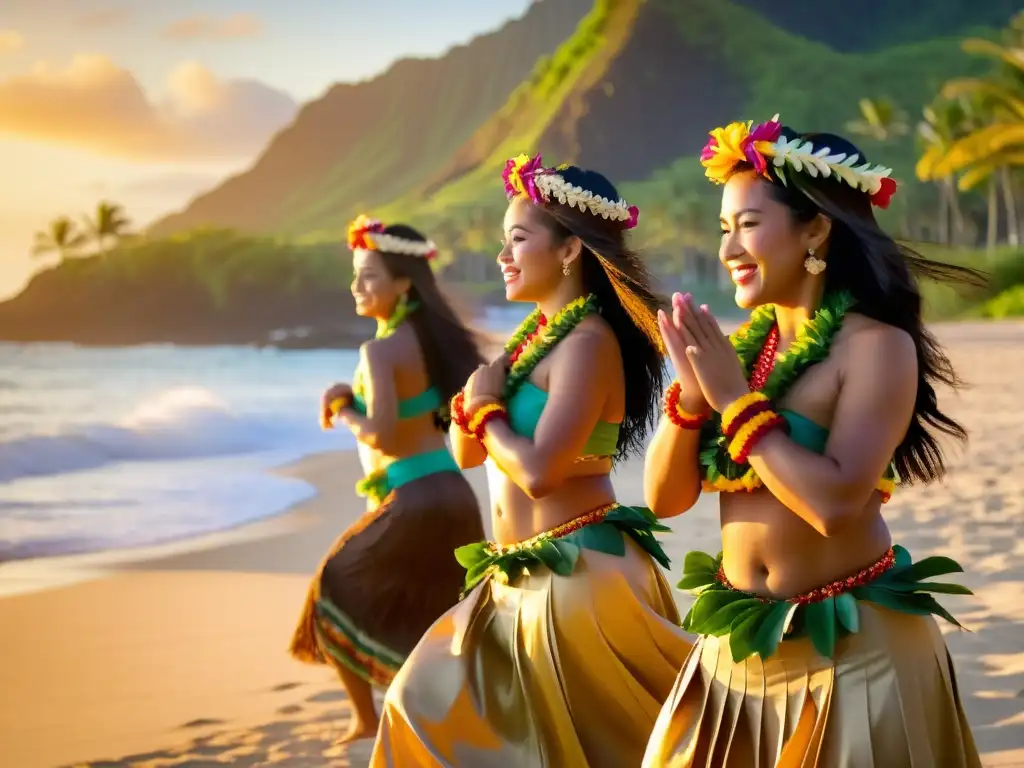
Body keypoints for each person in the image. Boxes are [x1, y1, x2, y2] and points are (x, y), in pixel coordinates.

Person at [642, 117, 982, 766]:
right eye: (723, 230)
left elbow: (834, 506)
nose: (728, 249)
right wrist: (689, 399)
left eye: (747, 225)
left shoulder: (878, 348)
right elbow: (665, 499)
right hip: (738, 652)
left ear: (816, 229)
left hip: (853, 653)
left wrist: (737, 404)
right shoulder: (742, 353)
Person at [369, 155, 693, 767]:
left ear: (570, 249)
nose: (503, 255)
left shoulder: (590, 343)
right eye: (503, 241)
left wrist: (488, 409)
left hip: (579, 577)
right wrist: (479, 404)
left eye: (518, 239)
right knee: (419, 702)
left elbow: (541, 472)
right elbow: (467, 452)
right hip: (515, 576)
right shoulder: (531, 343)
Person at [290, 215, 486, 746]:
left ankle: (366, 718)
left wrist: (343, 405)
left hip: (414, 499)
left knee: (332, 587)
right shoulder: (435, 342)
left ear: (404, 283)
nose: (358, 286)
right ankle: (443, 719)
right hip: (452, 496)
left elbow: (378, 432)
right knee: (439, 616)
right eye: (357, 275)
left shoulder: (380, 349)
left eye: (369, 275)